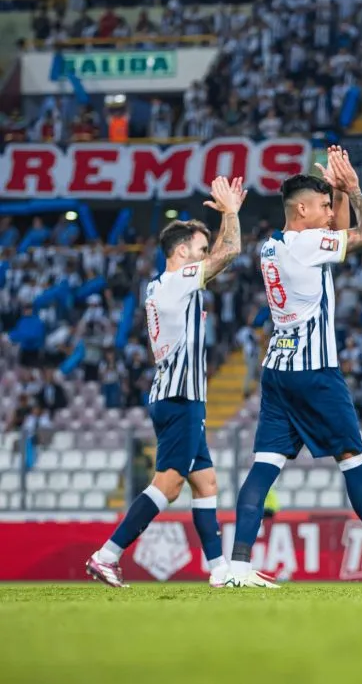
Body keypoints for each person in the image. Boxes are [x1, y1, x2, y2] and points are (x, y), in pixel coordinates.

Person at [226, 146, 362, 588]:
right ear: (300, 209)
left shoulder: (273, 246)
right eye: (322, 207)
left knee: (265, 465)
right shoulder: (308, 243)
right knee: (354, 460)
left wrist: (338, 195)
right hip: (315, 373)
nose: (329, 213)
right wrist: (356, 191)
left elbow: (339, 237)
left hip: (278, 369)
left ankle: (237, 566)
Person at [86, 177, 246, 588]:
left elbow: (222, 253)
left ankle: (219, 570)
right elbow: (232, 251)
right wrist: (230, 212)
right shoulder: (176, 283)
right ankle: (107, 554)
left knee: (205, 481)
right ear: (181, 253)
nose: (205, 255)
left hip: (177, 395)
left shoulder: (162, 286)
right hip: (180, 397)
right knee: (169, 485)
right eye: (199, 249)